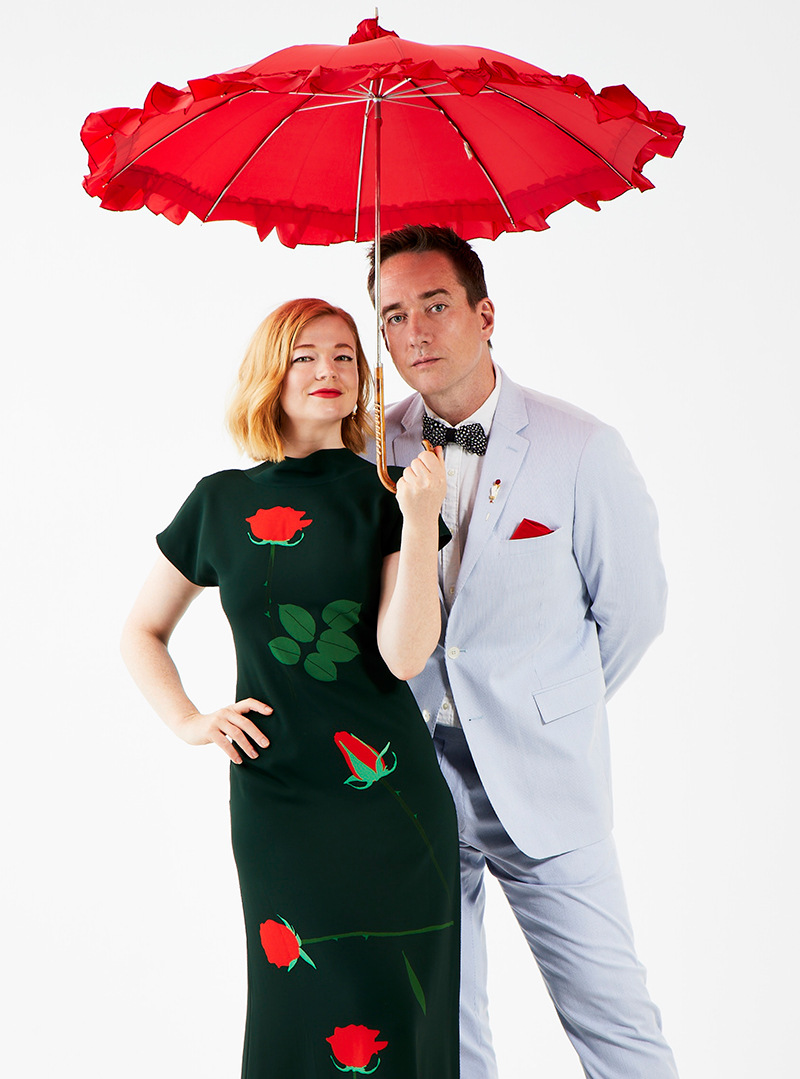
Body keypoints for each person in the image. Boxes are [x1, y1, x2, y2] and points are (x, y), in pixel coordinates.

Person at [367, 226, 679, 1079]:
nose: (415, 332)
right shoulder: (372, 452)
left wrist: (550, 703)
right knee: (442, 1036)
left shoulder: (582, 447)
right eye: (393, 315)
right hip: (413, 784)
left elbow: (634, 612)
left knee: (617, 1027)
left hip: (545, 782)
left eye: (435, 305)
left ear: (485, 314)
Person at [120, 298, 461, 1079]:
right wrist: (191, 720)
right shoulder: (218, 502)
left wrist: (419, 522)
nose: (328, 370)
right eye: (305, 355)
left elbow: (405, 655)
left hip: (390, 804)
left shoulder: (389, 493)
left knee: (396, 1014)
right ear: (271, 374)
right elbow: (141, 631)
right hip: (278, 801)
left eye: (345, 356)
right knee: (297, 1004)